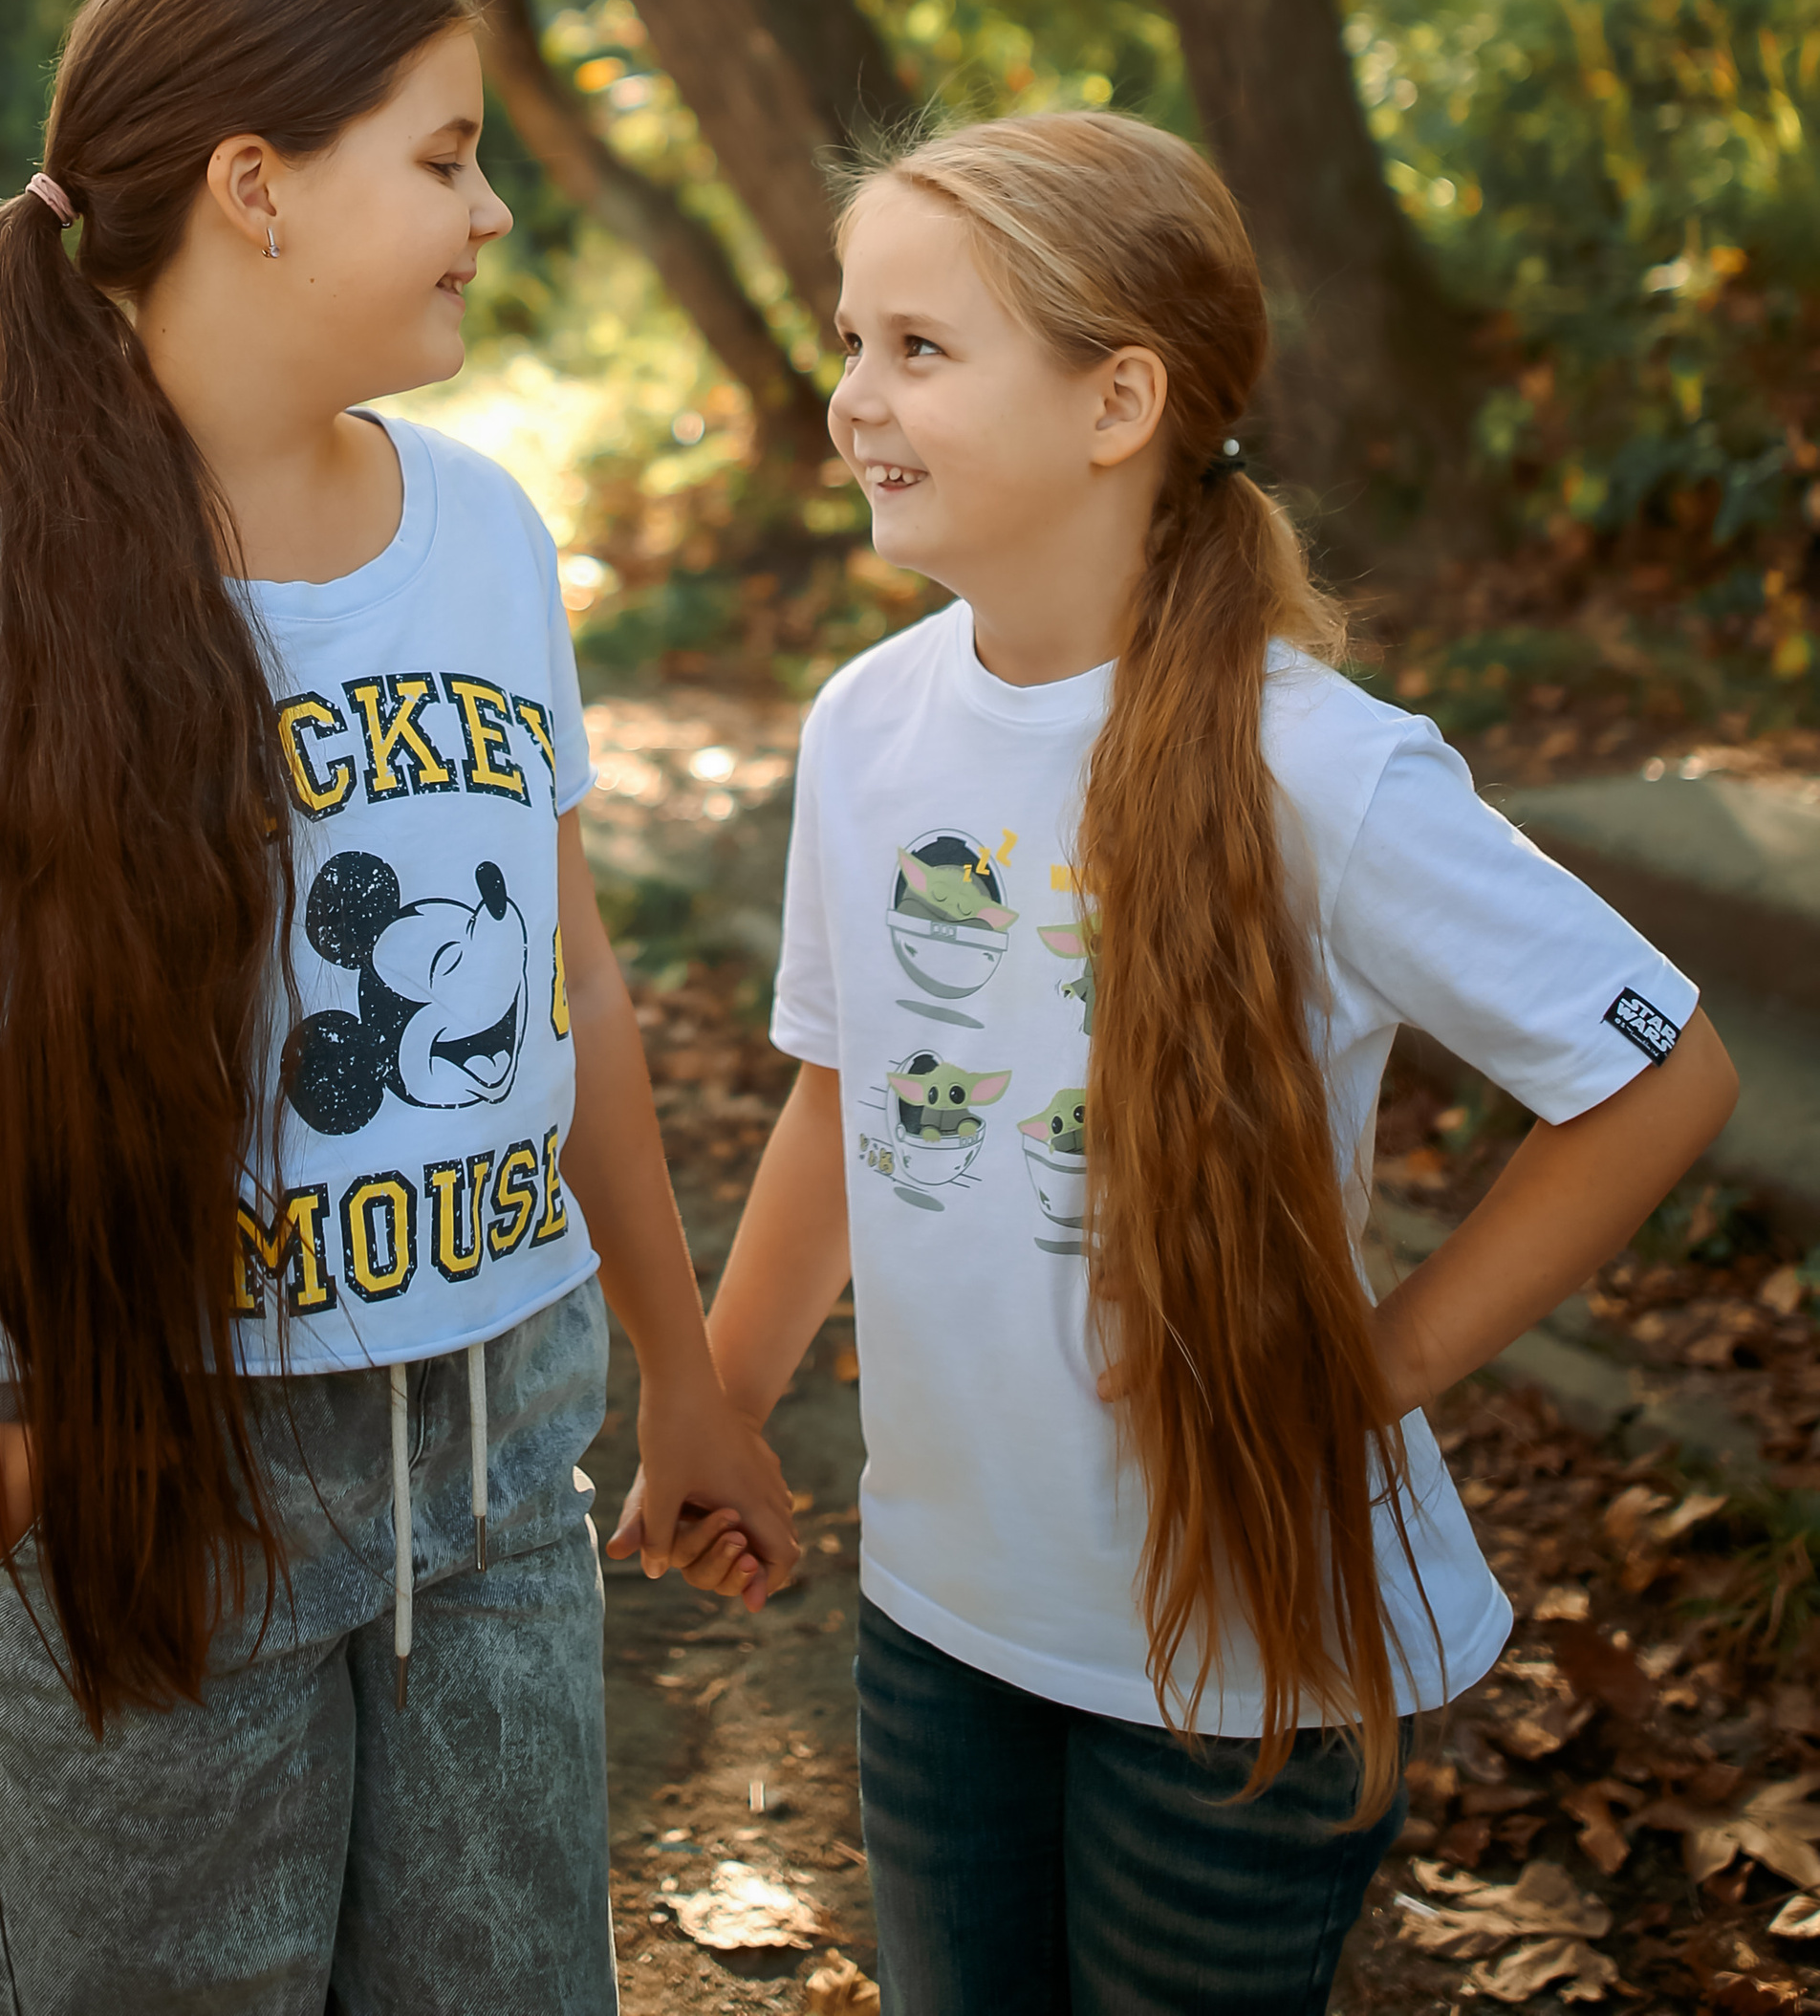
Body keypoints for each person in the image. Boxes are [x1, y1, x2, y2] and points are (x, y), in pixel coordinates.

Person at [0, 0, 794, 2016]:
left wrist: (684, 1373)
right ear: (254, 187)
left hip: (490, 1457)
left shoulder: (486, 534)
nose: (493, 211)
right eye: (443, 158)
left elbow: (570, 984)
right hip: (135, 1473)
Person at [636, 111, 1737, 2016]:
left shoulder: (1325, 768)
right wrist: (721, 1397)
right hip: (939, 1614)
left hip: (1239, 1663)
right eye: (848, 339)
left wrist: (1368, 1372)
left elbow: (1659, 1074)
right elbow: (845, 1084)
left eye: (919, 347)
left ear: (1118, 400)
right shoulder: (865, 726)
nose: (851, 397)